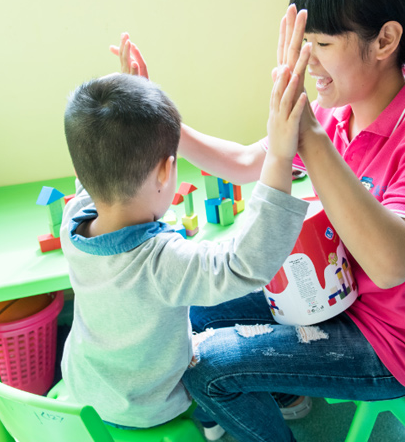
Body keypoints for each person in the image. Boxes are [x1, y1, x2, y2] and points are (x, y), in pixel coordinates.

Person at [113, 0, 405, 440]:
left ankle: (262, 394)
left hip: (402, 342)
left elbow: (389, 266)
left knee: (207, 368)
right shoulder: (337, 110)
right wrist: (161, 119)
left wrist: (311, 136)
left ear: (385, 41)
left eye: (322, 44)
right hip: (339, 293)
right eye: (304, 43)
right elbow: (246, 162)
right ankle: (285, 392)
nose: (308, 62)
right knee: (197, 306)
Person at [58, 53, 312, 429]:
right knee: (221, 364)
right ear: (167, 170)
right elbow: (243, 265)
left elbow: (100, 158)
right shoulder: (160, 262)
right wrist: (279, 156)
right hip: (149, 404)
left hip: (88, 386)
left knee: (199, 321)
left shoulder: (73, 222)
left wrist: (130, 99)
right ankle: (212, 417)